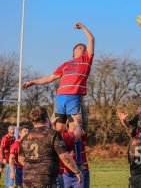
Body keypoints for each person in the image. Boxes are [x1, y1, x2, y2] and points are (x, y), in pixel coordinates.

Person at [22, 22, 95, 166]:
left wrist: (83, 28)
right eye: (80, 47)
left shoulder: (86, 60)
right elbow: (49, 78)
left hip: (74, 98)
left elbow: (91, 40)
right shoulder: (65, 64)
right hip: (60, 99)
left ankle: (76, 159)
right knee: (58, 130)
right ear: (73, 52)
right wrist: (33, 82)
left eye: (84, 47)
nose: (83, 47)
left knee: (76, 127)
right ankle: (56, 156)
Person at [18, 106, 83, 187]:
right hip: (46, 181)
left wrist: (33, 169)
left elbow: (20, 159)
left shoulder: (25, 137)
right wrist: (77, 171)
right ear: (46, 118)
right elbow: (65, 157)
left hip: (27, 181)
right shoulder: (53, 134)